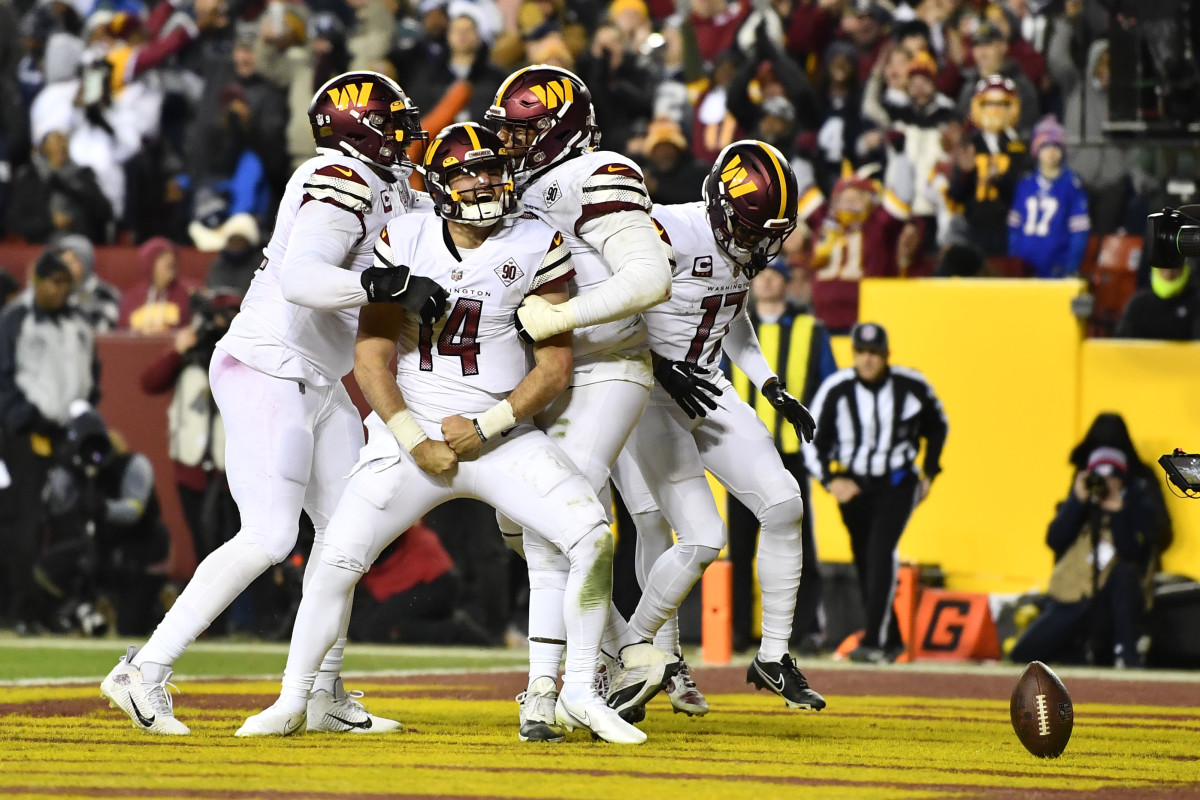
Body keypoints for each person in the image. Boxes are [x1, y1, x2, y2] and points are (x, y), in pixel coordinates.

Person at [237, 124, 642, 745]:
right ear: (439, 185)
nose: (484, 184)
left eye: (492, 170)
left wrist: (487, 426)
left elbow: (554, 367)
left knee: (592, 538)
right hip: (412, 435)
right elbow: (371, 358)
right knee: (335, 561)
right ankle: (292, 700)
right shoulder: (405, 237)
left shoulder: (537, 240)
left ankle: (581, 692)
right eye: (467, 174)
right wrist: (412, 437)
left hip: (500, 434)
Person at [100, 71, 448, 737]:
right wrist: (388, 285)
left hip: (317, 376)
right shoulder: (337, 177)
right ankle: (143, 669)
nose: (404, 137)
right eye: (391, 124)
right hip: (268, 365)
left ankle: (322, 690)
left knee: (349, 536)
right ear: (358, 129)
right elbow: (303, 279)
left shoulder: (392, 184)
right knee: (270, 535)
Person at [484, 65, 678, 739]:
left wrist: (560, 319)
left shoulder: (596, 172)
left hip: (604, 367)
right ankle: (625, 654)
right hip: (547, 373)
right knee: (518, 523)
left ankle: (561, 686)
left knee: (552, 525)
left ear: (558, 131)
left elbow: (650, 276)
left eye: (522, 132)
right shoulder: (517, 185)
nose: (509, 144)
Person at [610, 140, 826, 719]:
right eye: (752, 231)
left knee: (784, 505)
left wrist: (770, 383)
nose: (760, 246)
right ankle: (644, 654)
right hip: (645, 392)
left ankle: (773, 655)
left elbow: (731, 315)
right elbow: (607, 308)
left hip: (706, 385)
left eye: (769, 234)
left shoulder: (740, 244)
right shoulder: (665, 230)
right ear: (722, 208)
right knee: (677, 532)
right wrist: (659, 366)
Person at [805, 322, 948, 664]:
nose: (868, 359)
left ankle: (873, 641)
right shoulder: (837, 388)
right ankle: (892, 638)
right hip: (855, 486)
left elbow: (937, 426)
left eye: (875, 352)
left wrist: (930, 471)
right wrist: (830, 481)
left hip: (897, 483)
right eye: (861, 352)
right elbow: (811, 437)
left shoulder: (911, 385)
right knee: (865, 559)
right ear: (853, 354)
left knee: (879, 552)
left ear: (887, 355)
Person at [727, 258, 837, 654]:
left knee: (798, 541)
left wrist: (822, 443)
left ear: (789, 283)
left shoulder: (811, 329)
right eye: (762, 274)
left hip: (792, 452)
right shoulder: (731, 327)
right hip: (741, 452)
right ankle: (738, 630)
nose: (768, 281)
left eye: (777, 275)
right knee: (740, 546)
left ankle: (804, 631)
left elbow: (830, 389)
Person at [1010, 414, 1171, 668]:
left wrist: (1118, 511)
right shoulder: (1084, 485)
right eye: (1098, 476)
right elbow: (1055, 539)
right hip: (1076, 595)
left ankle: (1125, 651)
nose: (1103, 483)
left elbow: (1139, 546)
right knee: (1023, 653)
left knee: (1124, 574)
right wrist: (1077, 501)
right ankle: (1078, 654)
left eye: (1112, 476)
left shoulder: (1138, 490)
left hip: (1115, 595)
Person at [0, 251, 99, 634]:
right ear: (36, 282)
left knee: (69, 521)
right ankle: (22, 610)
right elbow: (4, 378)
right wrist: (25, 418)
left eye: (65, 283)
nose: (60, 290)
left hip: (67, 435)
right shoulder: (16, 320)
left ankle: (57, 608)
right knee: (26, 522)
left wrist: (84, 416)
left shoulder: (79, 325)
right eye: (54, 282)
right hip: (25, 436)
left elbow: (92, 377)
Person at [32, 405, 170, 637]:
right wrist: (66, 466)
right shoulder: (75, 469)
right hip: (103, 549)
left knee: (131, 630)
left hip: (141, 553)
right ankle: (83, 608)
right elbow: (57, 504)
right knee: (48, 569)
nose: (93, 455)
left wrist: (105, 508)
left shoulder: (133, 464)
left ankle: (155, 607)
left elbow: (134, 510)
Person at [139, 292, 242, 564]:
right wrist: (177, 351)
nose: (225, 323)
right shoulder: (189, 356)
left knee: (239, 553)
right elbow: (150, 382)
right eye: (221, 316)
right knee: (203, 550)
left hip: (234, 472)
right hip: (191, 470)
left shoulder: (245, 356)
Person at [1007, 118, 1090, 279]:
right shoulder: (1025, 184)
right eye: (1045, 147)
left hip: (1057, 267)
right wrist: (1014, 262)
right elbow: (1014, 228)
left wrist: (1071, 266)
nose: (1051, 152)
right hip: (1025, 266)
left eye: (1056, 147)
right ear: (1037, 150)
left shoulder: (1072, 185)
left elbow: (1079, 231)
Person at [117, 238, 198, 334]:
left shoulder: (189, 293)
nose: (170, 259)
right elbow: (122, 333)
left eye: (172, 258)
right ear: (149, 264)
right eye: (162, 257)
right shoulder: (131, 299)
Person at [1115, 262, 1200, 340]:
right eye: (1164, 269)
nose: (1169, 275)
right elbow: (1122, 342)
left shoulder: (1195, 302)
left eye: (1174, 269)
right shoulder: (1138, 303)